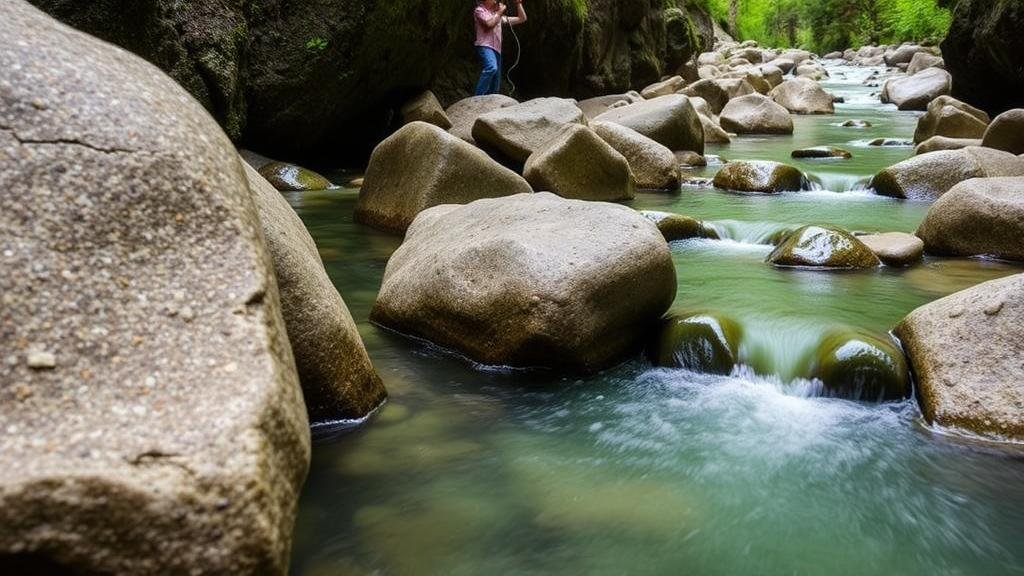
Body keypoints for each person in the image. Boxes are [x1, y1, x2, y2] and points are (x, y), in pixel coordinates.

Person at [474, 0, 527, 96]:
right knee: (491, 67)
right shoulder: (480, 10)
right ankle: (478, 97)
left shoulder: (498, 17)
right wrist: (500, 12)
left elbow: (522, 18)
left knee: (495, 84)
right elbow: (489, 24)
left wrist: (518, 4)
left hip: (496, 50)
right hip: (485, 45)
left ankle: (490, 102)